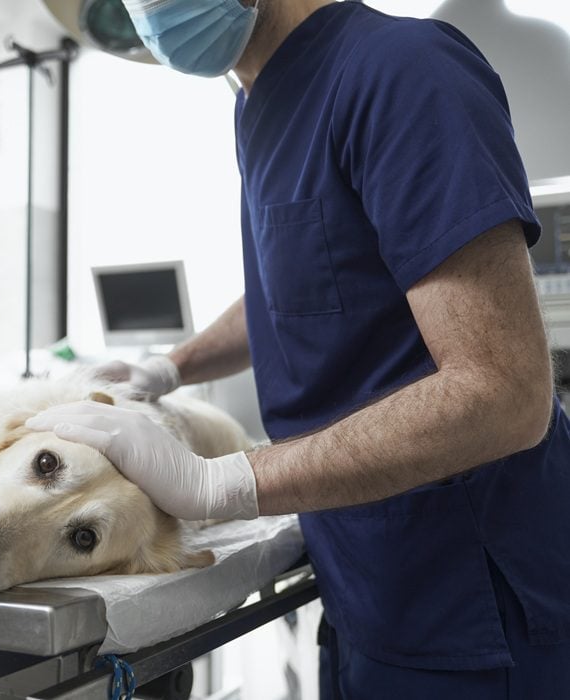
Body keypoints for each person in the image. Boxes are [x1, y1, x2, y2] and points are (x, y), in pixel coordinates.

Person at [28, 0, 570, 697]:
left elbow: (505, 393)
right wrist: (170, 366)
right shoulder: (256, 107)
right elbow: (303, 281)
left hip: (470, 611)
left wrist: (222, 482)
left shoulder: (402, 72)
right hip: (361, 593)